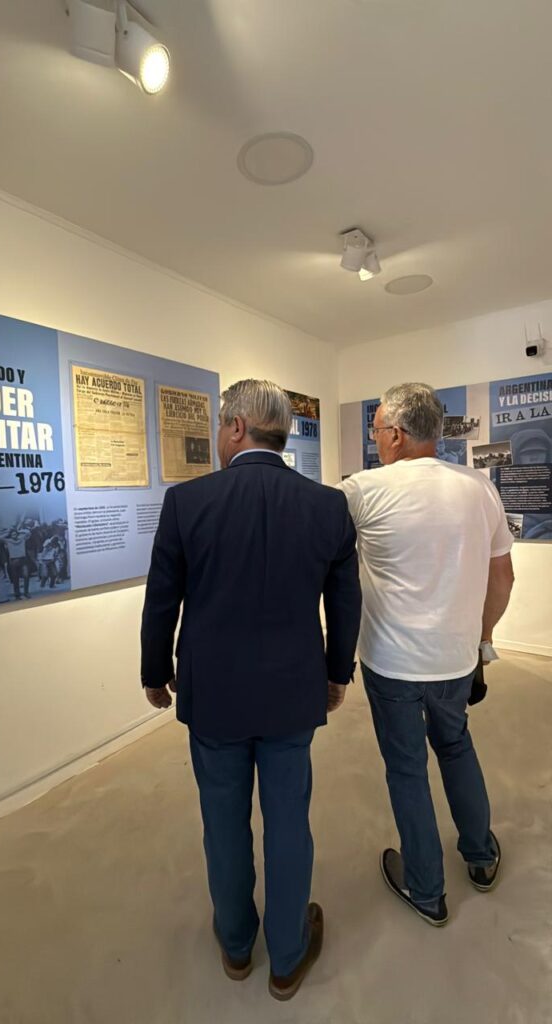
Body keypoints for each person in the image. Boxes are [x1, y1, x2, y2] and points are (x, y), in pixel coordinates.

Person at [141, 379, 361, 999]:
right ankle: (287, 957)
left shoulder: (187, 502)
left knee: (222, 821)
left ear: (237, 427)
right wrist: (337, 674)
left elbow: (162, 601)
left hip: (214, 695)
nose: (218, 436)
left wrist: (154, 672)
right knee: (289, 821)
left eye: (220, 425)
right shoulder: (327, 506)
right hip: (293, 694)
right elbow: (346, 602)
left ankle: (237, 945)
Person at [339, 383, 514, 926]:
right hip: (457, 658)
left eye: (376, 431)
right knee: (456, 747)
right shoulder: (479, 487)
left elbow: (325, 567)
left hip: (390, 662)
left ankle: (426, 889)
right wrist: (483, 641)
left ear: (395, 434)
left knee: (406, 768)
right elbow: (503, 579)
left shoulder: (360, 490)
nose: (375, 440)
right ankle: (481, 857)